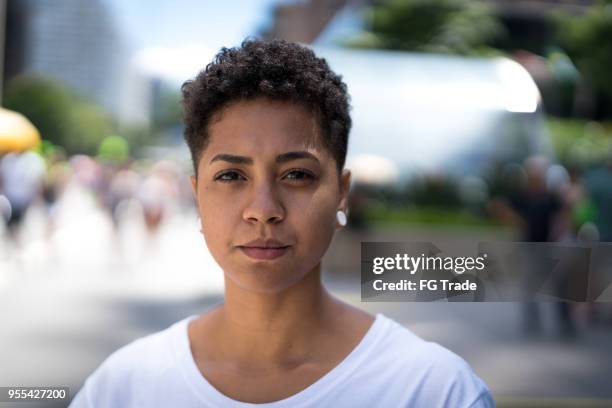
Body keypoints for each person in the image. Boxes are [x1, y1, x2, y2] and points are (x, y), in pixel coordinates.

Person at [70, 38, 493, 407]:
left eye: (297, 174)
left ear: (341, 192)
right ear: (197, 193)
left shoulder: (433, 390)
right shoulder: (122, 387)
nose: (263, 208)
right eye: (231, 176)